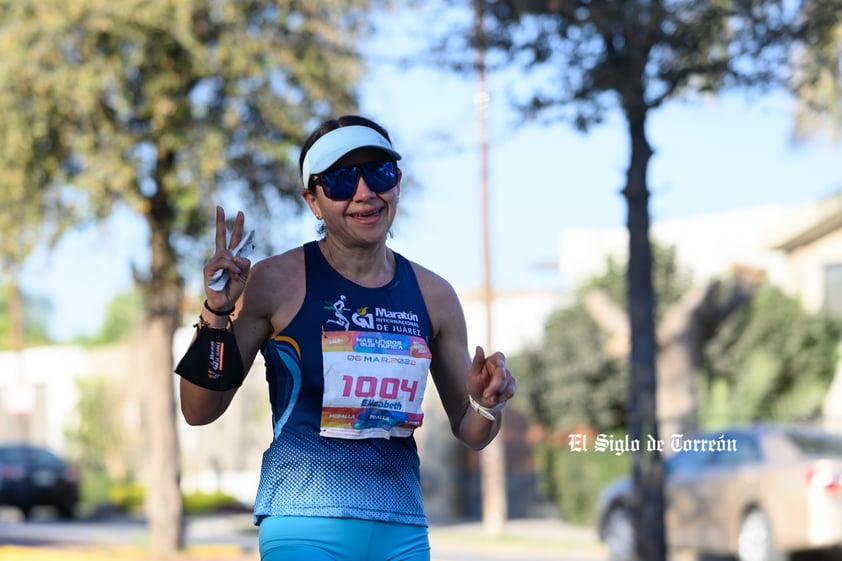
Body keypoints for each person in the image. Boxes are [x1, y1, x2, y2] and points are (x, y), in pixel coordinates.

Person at [175, 115, 517, 561]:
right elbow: (198, 411)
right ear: (313, 201)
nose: (364, 193)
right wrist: (217, 310)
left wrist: (489, 404)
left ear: (396, 183)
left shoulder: (434, 296)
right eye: (339, 180)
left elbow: (472, 431)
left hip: (403, 527)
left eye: (379, 172)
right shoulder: (276, 281)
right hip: (303, 519)